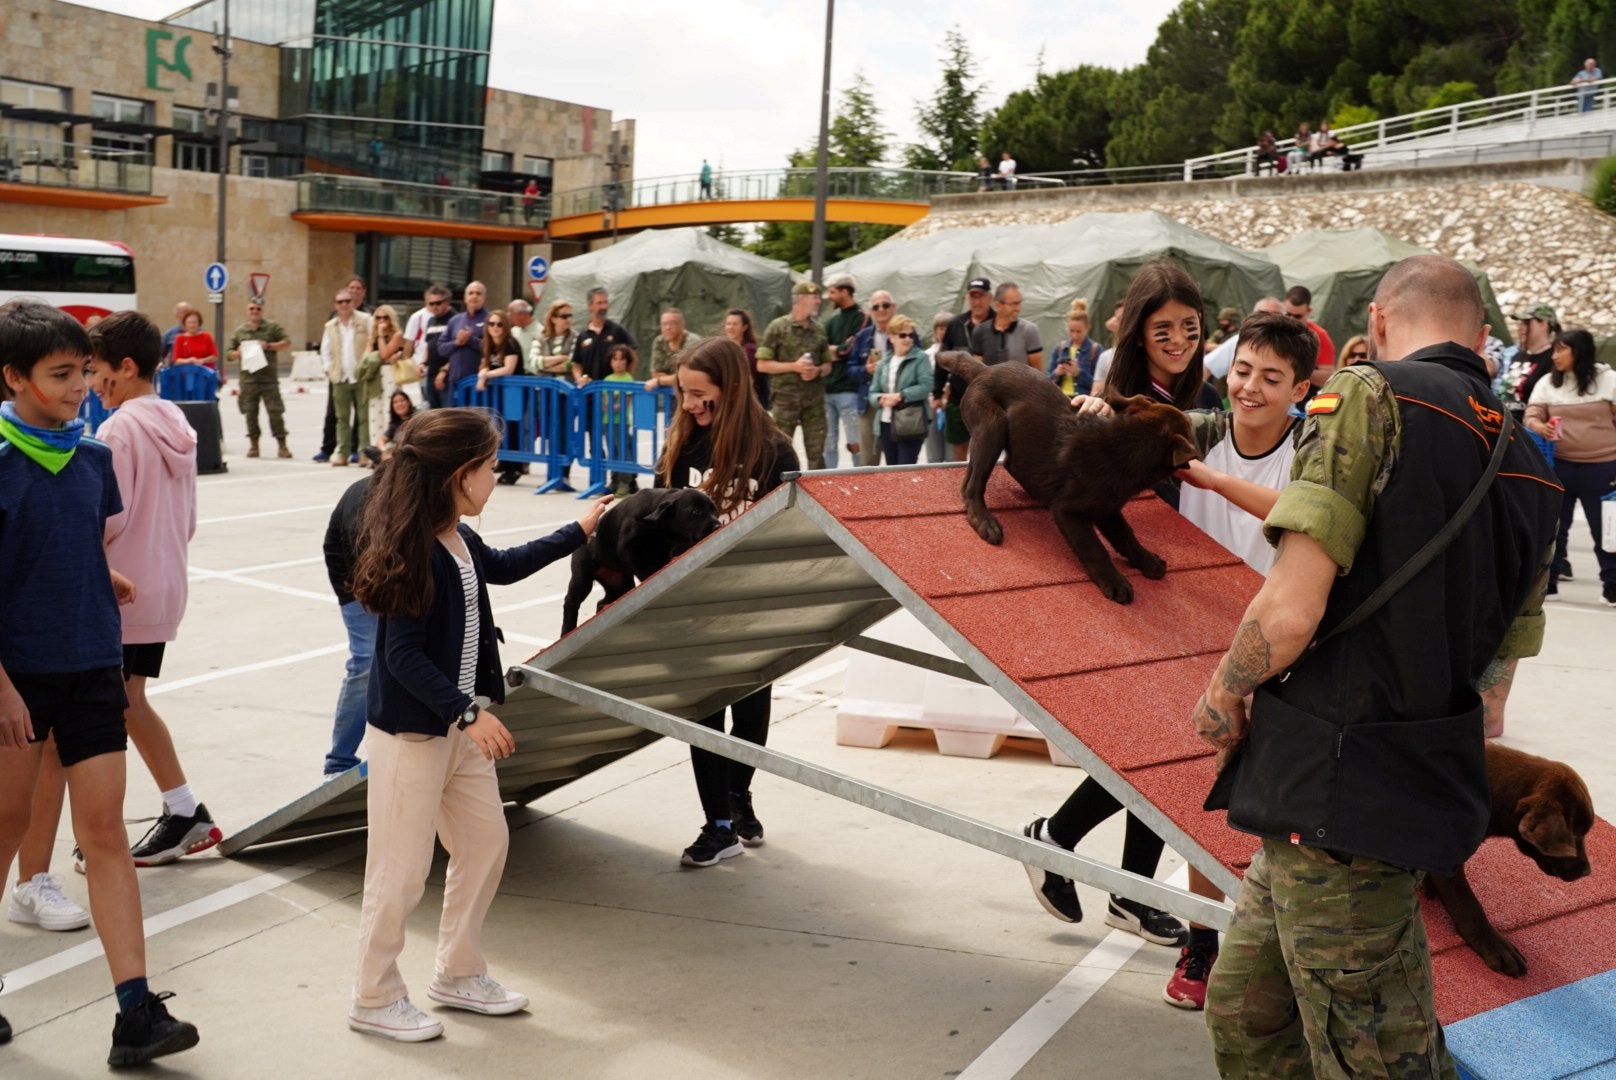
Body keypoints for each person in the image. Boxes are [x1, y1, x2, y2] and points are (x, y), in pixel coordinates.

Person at [1197, 256, 1560, 1078]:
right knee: (1248, 1011)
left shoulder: (1369, 394)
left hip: (1336, 789)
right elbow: (1497, 694)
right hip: (1397, 788)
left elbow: (1291, 608)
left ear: (1383, 319)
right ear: (1480, 336)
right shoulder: (1533, 465)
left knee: (1375, 1057)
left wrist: (1224, 695)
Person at [346, 408, 609, 1042]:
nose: (497, 476)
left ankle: (457, 973)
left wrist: (579, 529)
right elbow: (399, 656)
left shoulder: (458, 538)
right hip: (417, 734)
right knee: (400, 871)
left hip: (459, 729)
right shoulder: (414, 550)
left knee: (485, 843)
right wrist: (466, 714)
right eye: (490, 467)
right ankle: (373, 997)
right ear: (460, 475)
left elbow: (507, 565)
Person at [0, 299, 200, 1066]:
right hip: (16, 678)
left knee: (107, 832)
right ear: (14, 378)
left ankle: (136, 1014)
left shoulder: (92, 459)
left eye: (83, 372)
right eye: (60, 375)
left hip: (91, 665)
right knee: (7, 825)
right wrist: (4, 691)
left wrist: (99, 575)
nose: (80, 386)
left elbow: (75, 536)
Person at [657, 338, 800, 866]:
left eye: (700, 394)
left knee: (751, 711)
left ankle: (738, 795)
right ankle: (718, 823)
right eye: (683, 394)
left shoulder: (775, 451)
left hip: (753, 603)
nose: (690, 405)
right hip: (694, 605)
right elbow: (658, 514)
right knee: (703, 713)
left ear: (733, 389)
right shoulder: (683, 443)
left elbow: (790, 530)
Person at [1525, 327, 1616, 605]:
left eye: (1561, 349)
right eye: (1554, 349)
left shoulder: (1608, 380)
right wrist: (1540, 426)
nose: (1555, 356)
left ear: (1580, 352)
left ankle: (1612, 586)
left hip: (1603, 468)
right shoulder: (1548, 383)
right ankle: (1547, 586)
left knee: (1607, 530)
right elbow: (1531, 414)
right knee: (1554, 528)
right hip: (1560, 466)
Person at [756, 281, 834, 470]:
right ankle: (779, 492)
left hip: (813, 403)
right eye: (814, 298)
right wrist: (795, 366)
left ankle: (817, 496)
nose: (818, 302)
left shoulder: (818, 330)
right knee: (779, 452)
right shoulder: (778, 327)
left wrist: (817, 370)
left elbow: (828, 365)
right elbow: (762, 364)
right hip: (785, 402)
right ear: (800, 300)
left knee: (816, 455)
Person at [570, 287, 635, 466]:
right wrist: (579, 378)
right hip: (592, 398)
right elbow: (576, 364)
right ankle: (597, 480)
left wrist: (625, 379)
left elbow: (632, 354)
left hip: (614, 399)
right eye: (599, 303)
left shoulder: (617, 330)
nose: (603, 306)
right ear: (590, 305)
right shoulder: (583, 335)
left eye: (605, 302)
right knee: (594, 438)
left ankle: (624, 479)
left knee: (619, 441)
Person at [933, 277, 996, 461]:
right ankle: (959, 486)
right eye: (973, 297)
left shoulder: (998, 323)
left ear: (989, 297)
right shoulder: (955, 324)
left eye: (981, 296)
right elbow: (941, 360)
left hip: (991, 399)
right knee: (959, 448)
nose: (976, 302)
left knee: (988, 449)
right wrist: (937, 394)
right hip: (959, 397)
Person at [227, 299, 292, 458]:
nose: (254, 311)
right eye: (251, 309)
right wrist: (239, 352)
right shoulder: (240, 331)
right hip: (248, 380)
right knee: (250, 414)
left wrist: (268, 345)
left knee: (275, 412)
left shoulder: (272, 327)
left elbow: (286, 342)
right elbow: (229, 354)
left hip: (268, 379)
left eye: (257, 308)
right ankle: (254, 445)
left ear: (262, 310)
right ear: (247, 311)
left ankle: (282, 445)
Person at [868, 314, 931, 466]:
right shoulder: (884, 362)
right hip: (885, 423)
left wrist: (901, 396)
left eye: (911, 335)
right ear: (891, 337)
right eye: (903, 335)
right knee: (892, 471)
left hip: (910, 422)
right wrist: (880, 399)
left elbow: (926, 386)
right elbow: (872, 392)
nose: (908, 339)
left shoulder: (921, 358)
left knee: (905, 471)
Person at [845, 289, 898, 466]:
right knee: (868, 462)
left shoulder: (906, 333)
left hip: (897, 402)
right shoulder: (863, 336)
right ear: (871, 311)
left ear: (893, 307)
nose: (881, 309)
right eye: (876, 306)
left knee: (898, 462)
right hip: (869, 403)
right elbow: (850, 370)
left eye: (885, 305)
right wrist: (866, 370)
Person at [321, 288, 372, 467]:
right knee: (341, 418)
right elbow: (325, 351)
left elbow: (372, 343)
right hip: (340, 378)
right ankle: (342, 452)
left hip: (362, 377)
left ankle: (364, 453)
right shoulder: (330, 326)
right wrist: (329, 370)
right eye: (340, 302)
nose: (344, 305)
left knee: (364, 417)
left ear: (353, 302)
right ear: (335, 305)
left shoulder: (365, 320)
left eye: (347, 301)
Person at [476, 309, 526, 486]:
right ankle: (503, 462)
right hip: (499, 394)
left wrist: (485, 375)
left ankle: (514, 467)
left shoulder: (510, 343)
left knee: (511, 429)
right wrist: (483, 372)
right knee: (499, 428)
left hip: (514, 392)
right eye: (491, 324)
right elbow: (486, 364)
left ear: (505, 326)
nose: (495, 328)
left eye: (499, 324)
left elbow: (508, 369)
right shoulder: (489, 344)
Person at [822, 274, 866, 468]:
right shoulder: (831, 322)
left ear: (845, 292)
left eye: (832, 292)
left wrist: (836, 350)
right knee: (828, 443)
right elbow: (821, 351)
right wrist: (836, 350)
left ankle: (861, 484)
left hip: (850, 390)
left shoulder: (863, 318)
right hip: (827, 390)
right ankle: (829, 482)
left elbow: (851, 349)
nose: (828, 296)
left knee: (855, 442)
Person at [359, 305, 404, 465]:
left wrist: (381, 337)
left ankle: (389, 454)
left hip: (390, 376)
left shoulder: (396, 335)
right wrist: (378, 342)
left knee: (389, 413)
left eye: (385, 318)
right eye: (378, 318)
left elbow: (384, 354)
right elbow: (366, 358)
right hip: (375, 378)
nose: (381, 321)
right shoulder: (373, 336)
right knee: (374, 415)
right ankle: (376, 455)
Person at [1204, 297, 1284, 386]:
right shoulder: (1238, 341)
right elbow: (1206, 367)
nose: (1268, 319)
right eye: (1262, 314)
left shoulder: (1292, 346)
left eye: (1275, 315)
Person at [970, 281, 1044, 371]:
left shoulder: (1029, 330)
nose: (1018, 308)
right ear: (998, 305)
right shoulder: (980, 331)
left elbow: (1038, 372)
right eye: (1014, 304)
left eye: (1019, 303)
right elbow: (978, 370)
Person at [435, 281, 489, 401]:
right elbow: (441, 348)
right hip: (455, 381)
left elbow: (492, 348)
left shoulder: (490, 320)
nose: (474, 296)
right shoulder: (455, 320)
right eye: (471, 293)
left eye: (478, 293)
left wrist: (470, 340)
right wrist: (457, 343)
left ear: (484, 298)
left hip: (478, 381)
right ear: (465, 298)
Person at [406, 284, 453, 409]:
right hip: (431, 374)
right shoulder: (431, 321)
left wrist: (444, 372)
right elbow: (428, 345)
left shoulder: (455, 319)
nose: (434, 307)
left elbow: (457, 351)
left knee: (447, 415)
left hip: (448, 376)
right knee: (433, 414)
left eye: (438, 303)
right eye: (431, 304)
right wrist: (423, 363)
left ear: (447, 302)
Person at [1282, 286, 1336, 386]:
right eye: (1288, 314)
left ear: (1309, 311)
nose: (1292, 320)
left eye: (1298, 316)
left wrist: (1296, 370)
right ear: (1283, 306)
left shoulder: (1319, 336)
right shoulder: (1274, 329)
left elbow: (1328, 376)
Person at [1050, 299, 1101, 398]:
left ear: (1087, 328)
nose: (1074, 335)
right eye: (1071, 331)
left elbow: (1099, 385)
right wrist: (1057, 373)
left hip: (1082, 400)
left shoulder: (1095, 350)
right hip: (1060, 400)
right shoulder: (1059, 348)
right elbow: (1047, 380)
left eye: (1079, 331)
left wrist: (1078, 373)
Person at [644, 308, 701, 389]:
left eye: (673, 323)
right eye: (664, 324)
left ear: (682, 325)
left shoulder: (693, 342)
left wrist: (659, 381)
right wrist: (674, 379)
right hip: (670, 391)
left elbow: (687, 376)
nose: (668, 327)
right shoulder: (659, 341)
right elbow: (655, 373)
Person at [923, 311, 953, 463]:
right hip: (932, 408)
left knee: (952, 457)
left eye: (948, 328)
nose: (944, 331)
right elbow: (926, 381)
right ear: (935, 331)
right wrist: (933, 400)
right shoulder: (927, 355)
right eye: (941, 328)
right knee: (934, 456)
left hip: (952, 407)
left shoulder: (960, 354)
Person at [723, 307, 765, 405]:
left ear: (744, 327)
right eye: (728, 324)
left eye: (735, 324)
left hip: (749, 401)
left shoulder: (749, 350)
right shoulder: (725, 348)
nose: (730, 327)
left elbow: (746, 379)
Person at [170, 308, 219, 377]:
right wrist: (188, 360)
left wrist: (202, 361)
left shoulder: (206, 336)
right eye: (189, 322)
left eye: (195, 322)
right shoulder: (179, 338)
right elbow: (176, 360)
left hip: (205, 375)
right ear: (185, 324)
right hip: (185, 375)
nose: (192, 325)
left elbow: (214, 356)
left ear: (199, 323)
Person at [536, 299, 577, 379]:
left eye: (570, 316)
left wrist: (545, 367)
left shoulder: (576, 337)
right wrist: (562, 357)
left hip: (566, 388)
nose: (568, 319)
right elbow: (534, 362)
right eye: (564, 317)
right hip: (545, 388)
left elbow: (570, 364)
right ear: (553, 319)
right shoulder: (540, 338)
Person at [372, 389, 416, 461]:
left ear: (408, 402)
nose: (399, 404)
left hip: (410, 451)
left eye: (402, 400)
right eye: (395, 402)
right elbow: (381, 440)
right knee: (370, 450)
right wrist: (384, 450)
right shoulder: (395, 423)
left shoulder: (417, 417)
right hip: (394, 453)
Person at [506, 299, 537, 367]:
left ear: (522, 315)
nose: (509, 317)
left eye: (511, 314)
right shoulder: (512, 332)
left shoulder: (541, 333)